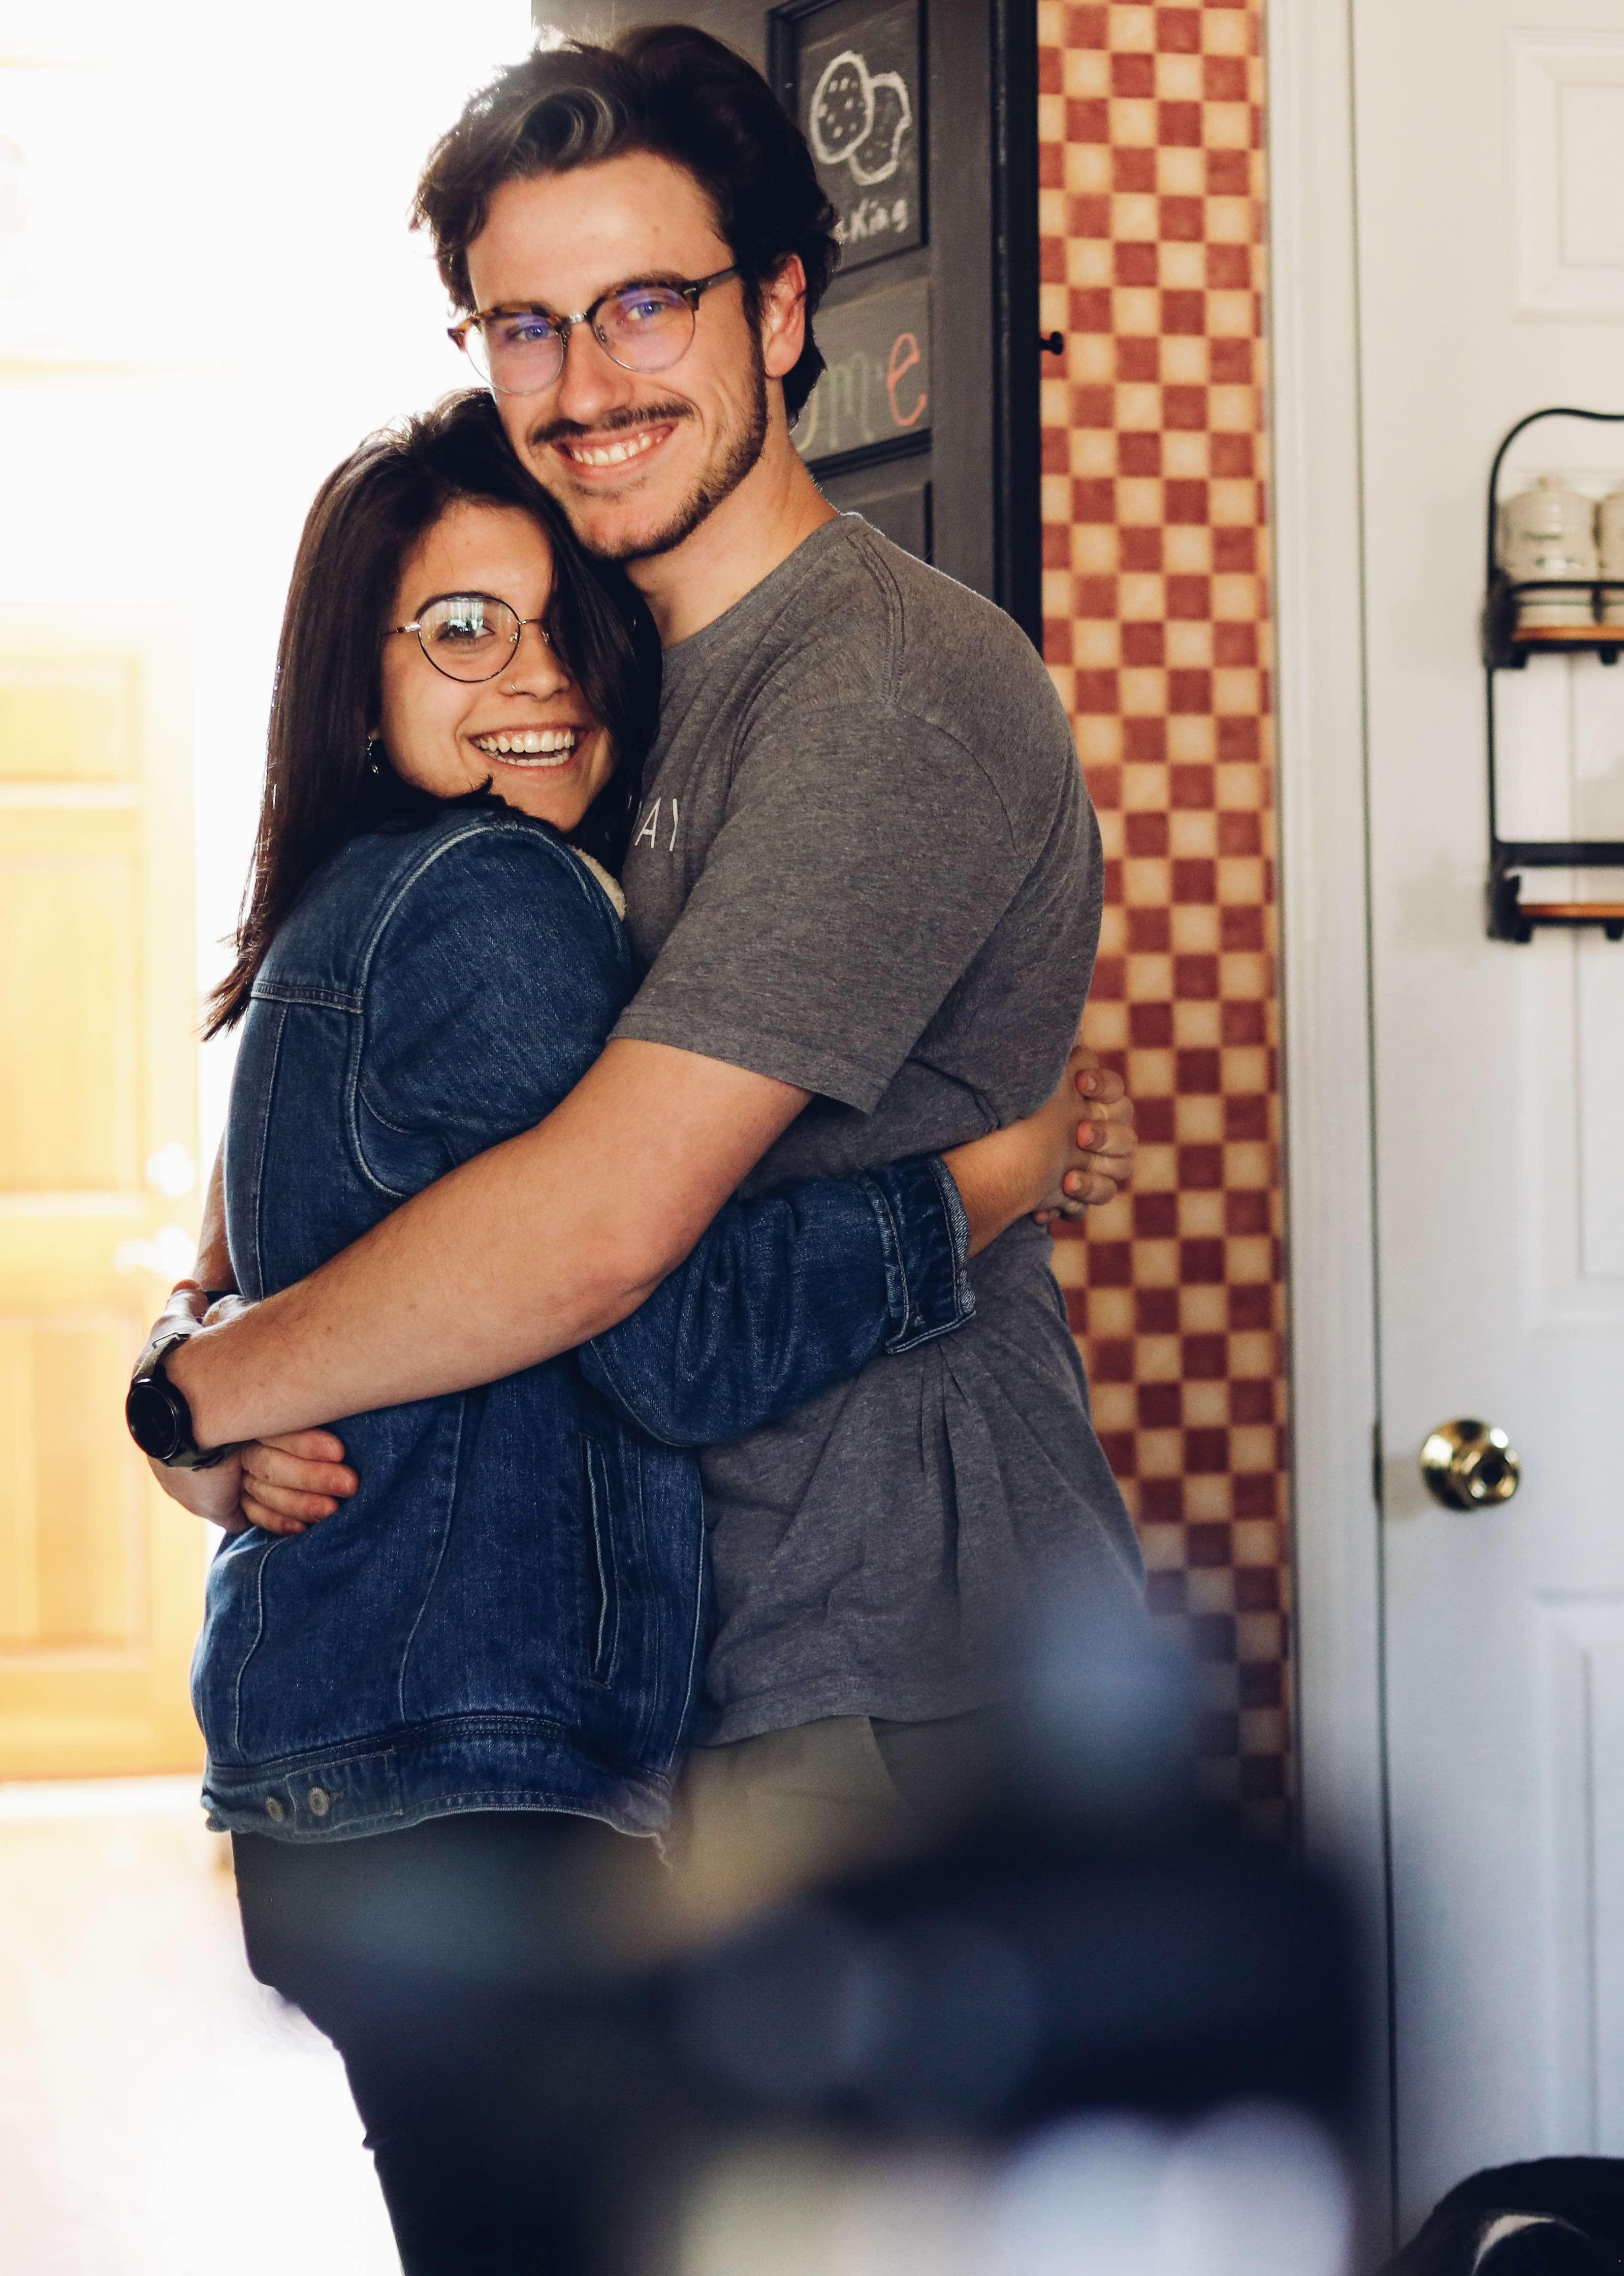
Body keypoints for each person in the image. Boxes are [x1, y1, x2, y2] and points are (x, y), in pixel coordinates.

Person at [147, 24, 1140, 1924]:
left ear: (775, 311)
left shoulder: (885, 689)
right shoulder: (570, 695)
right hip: (648, 1676)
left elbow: (606, 1233)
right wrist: (197, 1363)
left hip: (884, 1665)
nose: (584, 381)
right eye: (523, 325)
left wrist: (199, 1404)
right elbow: (308, 1186)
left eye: (643, 307)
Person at [134, 391, 1127, 2274]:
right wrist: (982, 1191)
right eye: (456, 628)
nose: (532, 676)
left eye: (563, 621)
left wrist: (186, 1380)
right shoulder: (500, 901)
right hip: (469, 1780)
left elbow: (272, 1277)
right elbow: (667, 1325)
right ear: (359, 685)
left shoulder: (359, 916)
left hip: (381, 1773)